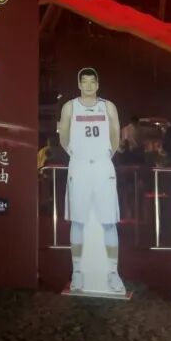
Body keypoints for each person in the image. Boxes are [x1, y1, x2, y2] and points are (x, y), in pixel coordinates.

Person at [57, 67, 124, 293]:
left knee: (109, 221)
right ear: (79, 84)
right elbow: (64, 137)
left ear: (97, 84)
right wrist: (77, 154)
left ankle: (113, 272)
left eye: (92, 81)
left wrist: (105, 154)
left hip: (103, 166)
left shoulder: (108, 106)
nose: (88, 85)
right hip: (79, 166)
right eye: (84, 81)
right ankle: (77, 271)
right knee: (78, 221)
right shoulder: (70, 107)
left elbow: (115, 134)